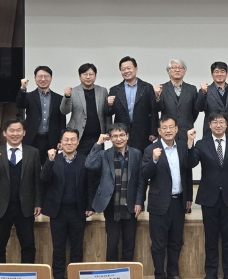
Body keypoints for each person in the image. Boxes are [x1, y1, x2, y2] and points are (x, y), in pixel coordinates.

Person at [187, 112, 228, 279]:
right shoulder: (201, 143)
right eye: (214, 122)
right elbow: (191, 163)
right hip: (209, 198)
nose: (218, 125)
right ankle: (211, 273)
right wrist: (190, 143)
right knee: (211, 239)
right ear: (209, 125)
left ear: (226, 124)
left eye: (221, 122)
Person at [0, 118, 42, 263]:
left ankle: (28, 273)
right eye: (11, 130)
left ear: (24, 133)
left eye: (19, 130)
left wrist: (38, 202)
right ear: (4, 133)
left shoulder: (33, 153)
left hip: (25, 207)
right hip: (1, 207)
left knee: (28, 245)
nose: (15, 134)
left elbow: (37, 181)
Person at [141, 116, 193, 279]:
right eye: (164, 127)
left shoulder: (183, 147)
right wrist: (154, 160)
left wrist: (188, 197)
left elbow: (188, 173)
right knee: (158, 244)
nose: (168, 130)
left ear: (177, 129)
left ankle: (173, 274)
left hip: (179, 202)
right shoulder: (151, 149)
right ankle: (159, 274)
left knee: (176, 242)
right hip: (159, 204)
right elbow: (144, 175)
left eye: (171, 127)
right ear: (159, 131)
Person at [40, 128, 96, 279]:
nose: (69, 143)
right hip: (57, 212)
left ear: (78, 142)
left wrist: (91, 205)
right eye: (66, 139)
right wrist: (50, 160)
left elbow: (90, 185)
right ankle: (58, 276)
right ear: (61, 142)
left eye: (73, 140)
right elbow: (44, 179)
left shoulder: (85, 160)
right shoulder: (53, 159)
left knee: (76, 249)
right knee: (58, 249)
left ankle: (75, 276)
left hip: (78, 211)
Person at [86, 123, 145, 261]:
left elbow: (141, 180)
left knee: (129, 245)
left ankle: (128, 271)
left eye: (122, 135)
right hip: (111, 206)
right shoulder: (104, 154)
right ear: (110, 138)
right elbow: (89, 164)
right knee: (112, 245)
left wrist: (139, 201)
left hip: (131, 205)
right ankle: (112, 271)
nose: (119, 139)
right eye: (115, 136)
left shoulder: (136, 154)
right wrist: (99, 143)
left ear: (127, 136)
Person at [107, 56, 161, 153]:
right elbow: (109, 113)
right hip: (121, 132)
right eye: (123, 69)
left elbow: (153, 110)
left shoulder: (147, 87)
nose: (126, 71)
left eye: (129, 68)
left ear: (136, 68)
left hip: (143, 132)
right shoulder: (115, 90)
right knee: (122, 157)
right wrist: (109, 105)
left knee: (143, 157)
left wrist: (154, 131)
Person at [17, 65, 66, 163]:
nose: (43, 79)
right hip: (32, 138)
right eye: (40, 76)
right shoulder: (29, 96)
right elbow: (20, 105)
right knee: (31, 166)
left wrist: (61, 140)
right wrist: (23, 88)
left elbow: (62, 121)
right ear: (35, 78)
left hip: (51, 139)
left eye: (46, 76)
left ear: (51, 78)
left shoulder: (59, 98)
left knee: (50, 167)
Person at [62, 63, 112, 155]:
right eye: (85, 74)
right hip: (78, 136)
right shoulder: (73, 91)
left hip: (98, 137)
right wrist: (66, 97)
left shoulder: (102, 91)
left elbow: (107, 113)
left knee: (97, 161)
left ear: (95, 76)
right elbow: (64, 111)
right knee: (79, 162)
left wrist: (109, 130)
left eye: (91, 74)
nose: (88, 77)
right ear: (79, 76)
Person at [196, 61, 228, 139]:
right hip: (211, 132)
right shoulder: (205, 90)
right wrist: (203, 93)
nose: (219, 74)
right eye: (216, 72)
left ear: (227, 74)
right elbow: (200, 108)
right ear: (212, 75)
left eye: (222, 71)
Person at [158, 59, 200, 144]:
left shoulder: (192, 89)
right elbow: (157, 108)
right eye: (174, 68)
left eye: (180, 68)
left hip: (186, 132)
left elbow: (195, 111)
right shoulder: (162, 88)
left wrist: (187, 122)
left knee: (187, 152)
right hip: (167, 132)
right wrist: (157, 97)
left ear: (184, 72)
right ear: (168, 71)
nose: (177, 70)